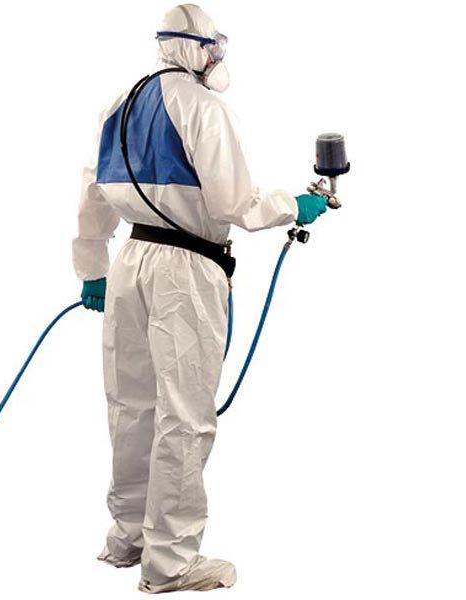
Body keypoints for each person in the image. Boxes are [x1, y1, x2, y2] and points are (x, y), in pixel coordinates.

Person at [72, 3, 327, 593]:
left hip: (131, 261)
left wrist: (92, 269)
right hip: (185, 269)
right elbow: (234, 202)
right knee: (184, 415)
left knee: (131, 405)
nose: (217, 57)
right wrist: (296, 204)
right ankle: (171, 563)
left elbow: (92, 189)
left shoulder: (121, 103)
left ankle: (127, 538)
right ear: (197, 47)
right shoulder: (203, 107)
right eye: (214, 47)